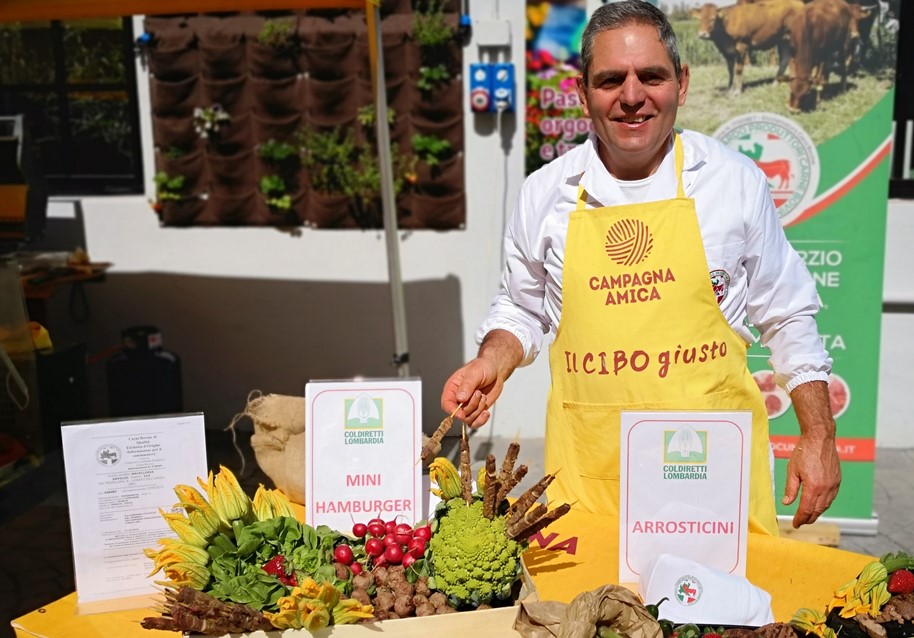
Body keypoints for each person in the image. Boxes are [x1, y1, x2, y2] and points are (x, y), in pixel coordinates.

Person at [441, 0, 840, 534]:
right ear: (583, 93)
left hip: (711, 478)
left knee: (718, 621)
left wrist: (818, 435)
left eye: (650, 76)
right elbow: (521, 306)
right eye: (610, 80)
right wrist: (493, 360)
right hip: (590, 480)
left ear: (682, 82)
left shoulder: (731, 181)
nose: (632, 97)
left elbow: (787, 312)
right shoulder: (545, 193)